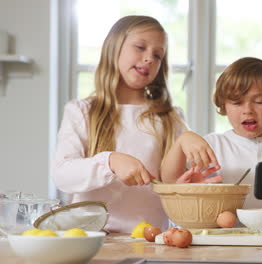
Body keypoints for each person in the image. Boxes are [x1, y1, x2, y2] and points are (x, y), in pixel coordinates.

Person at [53, 16, 190, 233]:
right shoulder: (82, 111)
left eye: (157, 55)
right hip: (89, 239)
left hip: (150, 241)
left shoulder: (171, 117)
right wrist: (110, 161)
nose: (149, 59)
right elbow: (63, 175)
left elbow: (177, 185)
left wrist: (188, 186)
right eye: (140, 47)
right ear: (113, 48)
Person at [161, 57, 262, 209]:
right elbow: (169, 178)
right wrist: (182, 141)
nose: (248, 110)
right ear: (223, 106)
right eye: (237, 103)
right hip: (221, 232)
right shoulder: (211, 145)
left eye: (259, 102)